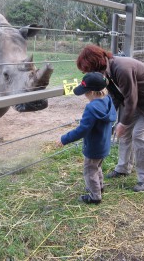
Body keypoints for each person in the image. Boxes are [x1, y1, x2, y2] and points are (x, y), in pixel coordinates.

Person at [76, 44, 144, 192]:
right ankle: (123, 168)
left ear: (96, 64)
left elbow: (131, 99)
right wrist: (110, 118)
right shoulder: (106, 73)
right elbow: (116, 97)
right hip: (135, 99)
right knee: (123, 133)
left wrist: (123, 123)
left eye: (88, 70)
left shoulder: (121, 69)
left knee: (140, 135)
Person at [59, 72, 117, 204]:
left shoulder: (91, 108)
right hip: (104, 144)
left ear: (92, 92)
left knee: (89, 171)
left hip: (93, 146)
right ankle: (99, 186)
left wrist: (64, 139)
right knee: (97, 167)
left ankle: (95, 196)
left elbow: (82, 130)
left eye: (85, 92)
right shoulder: (108, 100)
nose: (84, 95)